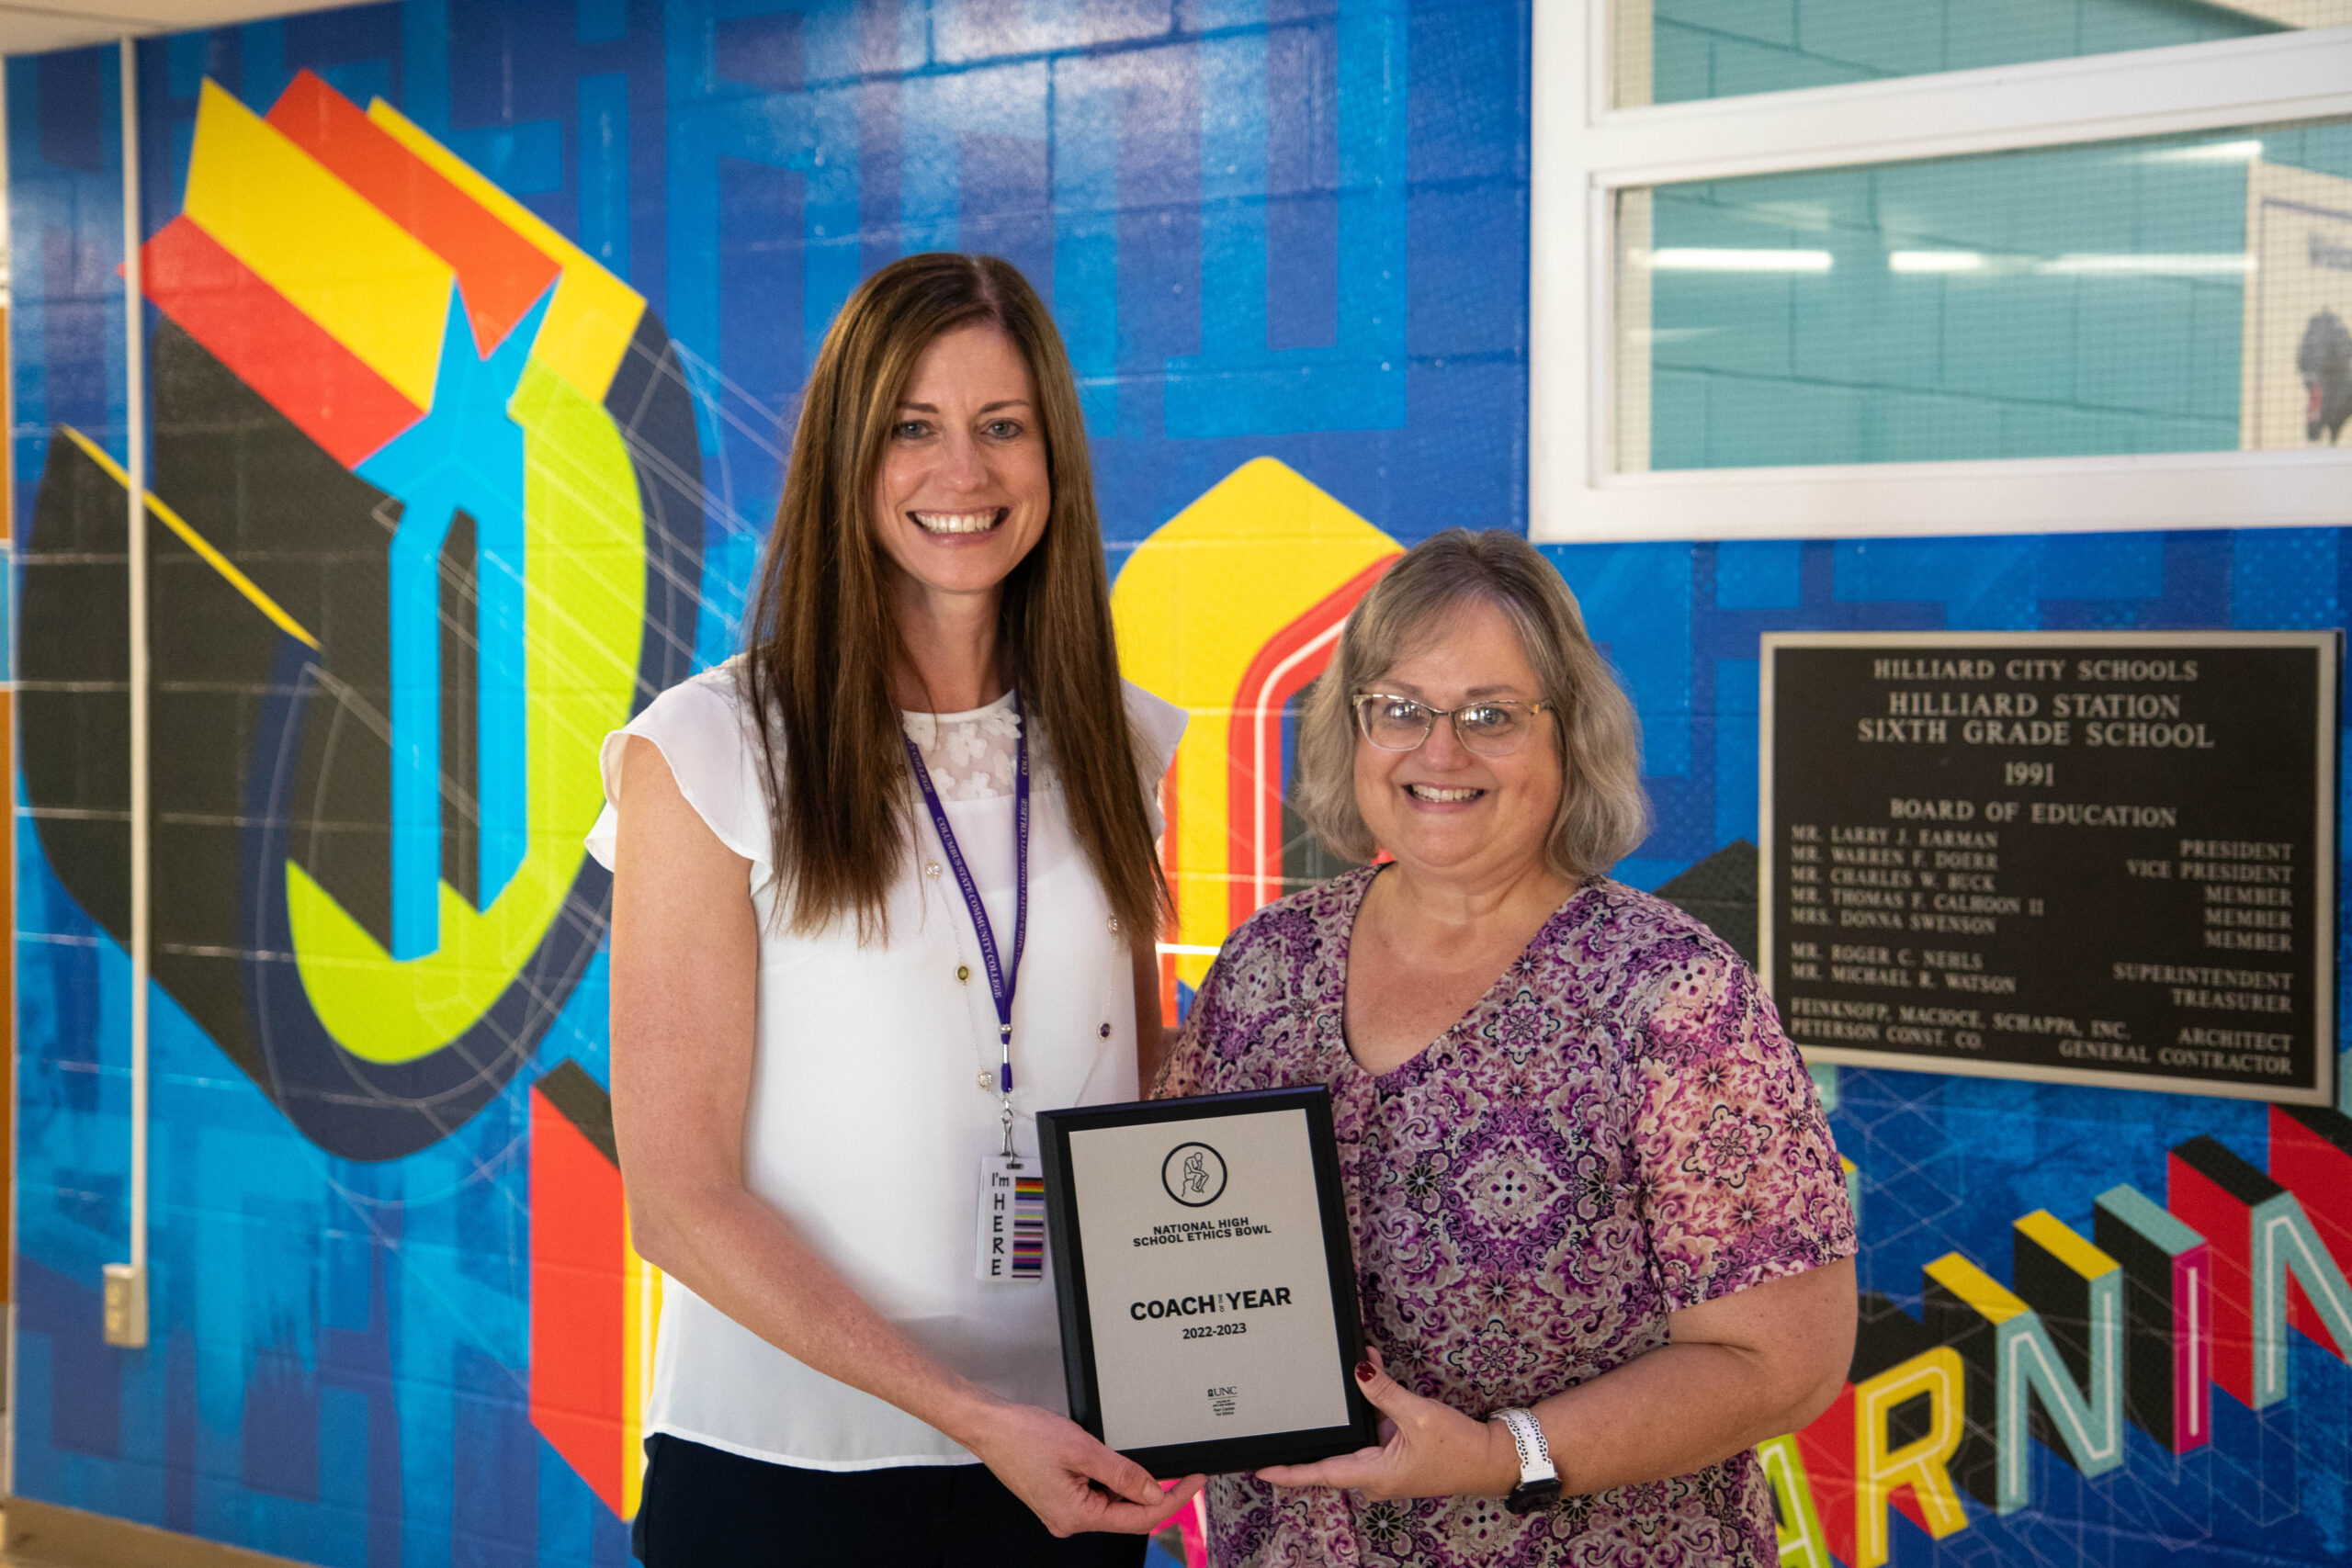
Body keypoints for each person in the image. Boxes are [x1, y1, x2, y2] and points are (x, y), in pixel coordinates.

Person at [589, 253, 1203, 1565]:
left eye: (1003, 427)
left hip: (1070, 1456)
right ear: (845, 456)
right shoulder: (706, 751)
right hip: (789, 1467)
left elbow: (1132, 1083)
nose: (962, 473)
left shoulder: (1124, 745)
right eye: (912, 428)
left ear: (1055, 457)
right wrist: (970, 1414)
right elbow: (677, 1198)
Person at [1154, 529, 1858, 1565]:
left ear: (1568, 737)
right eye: (1399, 709)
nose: (1439, 754)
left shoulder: (1669, 995)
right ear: (1353, 729)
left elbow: (1784, 1362)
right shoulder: (1266, 968)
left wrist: (1501, 1453)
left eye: (1489, 716)